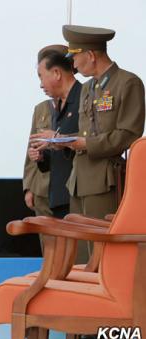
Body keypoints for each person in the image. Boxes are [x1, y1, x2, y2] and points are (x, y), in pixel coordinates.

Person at [60, 25, 145, 218]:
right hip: (78, 180)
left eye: (75, 57)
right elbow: (86, 133)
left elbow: (129, 133)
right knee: (81, 248)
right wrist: (63, 142)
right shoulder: (87, 87)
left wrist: (86, 144)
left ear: (90, 55)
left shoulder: (127, 82)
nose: (73, 64)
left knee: (100, 246)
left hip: (104, 179)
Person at [29, 45, 81, 219]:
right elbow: (58, 153)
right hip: (58, 194)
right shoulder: (55, 105)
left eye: (41, 77)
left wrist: (57, 139)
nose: (41, 84)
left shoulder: (83, 97)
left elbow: (90, 141)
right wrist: (42, 156)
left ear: (57, 73)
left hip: (75, 193)